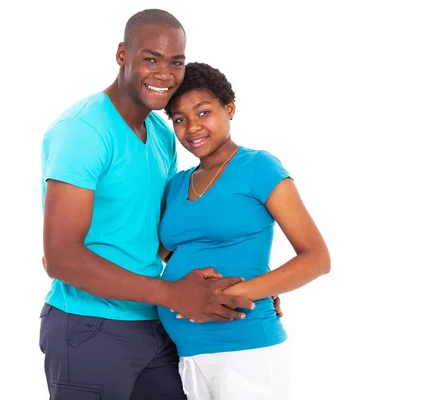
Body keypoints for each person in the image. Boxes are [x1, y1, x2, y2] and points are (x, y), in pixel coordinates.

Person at [39, 10, 260, 400]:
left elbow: (163, 235)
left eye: (176, 62)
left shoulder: (161, 132)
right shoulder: (83, 131)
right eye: (150, 59)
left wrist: (247, 284)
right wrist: (172, 293)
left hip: (155, 324)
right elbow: (61, 258)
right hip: (91, 327)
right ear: (123, 54)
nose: (164, 74)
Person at [157, 62, 331, 400]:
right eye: (179, 119)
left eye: (203, 111)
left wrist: (237, 294)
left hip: (246, 350)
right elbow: (156, 257)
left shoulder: (258, 167)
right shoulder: (176, 184)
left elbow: (317, 258)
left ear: (229, 108)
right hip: (182, 354)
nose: (192, 127)